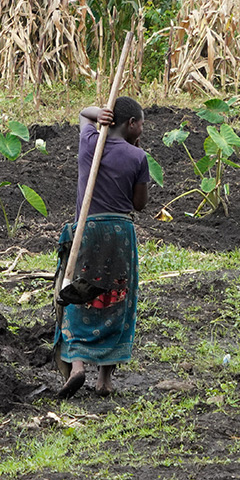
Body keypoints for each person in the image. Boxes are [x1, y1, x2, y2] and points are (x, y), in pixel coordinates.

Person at [54, 96, 150, 398]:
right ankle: (105, 380)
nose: (143, 129)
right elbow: (140, 205)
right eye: (141, 123)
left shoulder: (89, 142)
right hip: (119, 232)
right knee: (116, 297)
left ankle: (78, 364)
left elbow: (84, 112)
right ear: (131, 123)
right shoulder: (137, 157)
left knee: (78, 292)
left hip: (88, 228)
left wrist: (100, 114)